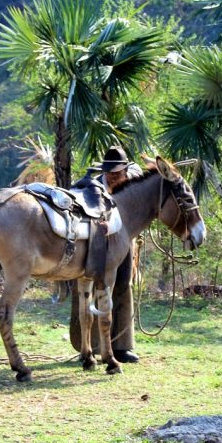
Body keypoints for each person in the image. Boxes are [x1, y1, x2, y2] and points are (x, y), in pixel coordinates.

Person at [69, 146, 140, 363]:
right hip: (94, 243)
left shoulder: (132, 182)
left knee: (122, 285)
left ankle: (122, 346)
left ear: (125, 171)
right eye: (110, 174)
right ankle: (88, 345)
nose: (113, 178)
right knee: (85, 290)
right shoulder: (90, 188)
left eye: (118, 174)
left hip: (123, 240)